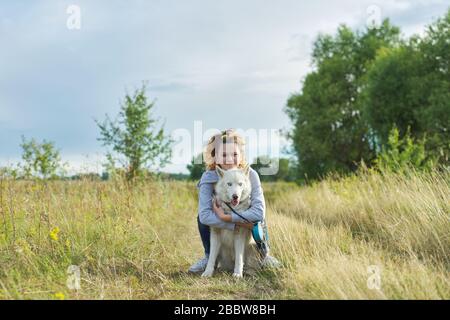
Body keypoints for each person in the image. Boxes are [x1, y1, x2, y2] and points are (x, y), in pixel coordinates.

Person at [188, 129, 281, 273]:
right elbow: (205, 216)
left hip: (246, 225)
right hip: (227, 227)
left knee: (256, 216)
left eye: (235, 154)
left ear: (241, 155)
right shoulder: (208, 177)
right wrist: (235, 225)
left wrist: (227, 218)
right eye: (224, 155)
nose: (230, 159)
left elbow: (259, 212)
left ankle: (264, 254)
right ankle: (209, 257)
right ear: (215, 157)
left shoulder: (251, 174)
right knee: (202, 218)